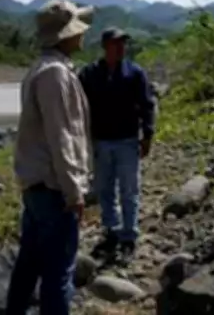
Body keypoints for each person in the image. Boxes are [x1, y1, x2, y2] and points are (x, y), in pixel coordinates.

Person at [5, 0, 94, 315]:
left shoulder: (41, 70)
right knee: (58, 274)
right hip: (53, 188)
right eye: (78, 29)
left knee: (29, 264)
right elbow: (62, 137)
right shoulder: (55, 74)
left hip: (37, 187)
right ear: (66, 35)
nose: (82, 34)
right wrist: (74, 191)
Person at [78, 27, 156, 264]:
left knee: (129, 189)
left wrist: (148, 135)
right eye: (116, 43)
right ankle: (112, 230)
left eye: (123, 43)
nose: (121, 47)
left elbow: (147, 105)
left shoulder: (135, 73)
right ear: (105, 46)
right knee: (104, 189)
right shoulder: (90, 73)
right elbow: (79, 105)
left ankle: (129, 236)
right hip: (101, 141)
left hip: (127, 140)